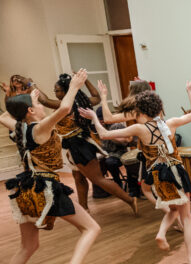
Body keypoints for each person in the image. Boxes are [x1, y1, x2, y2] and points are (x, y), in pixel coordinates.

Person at [0, 69, 101, 264]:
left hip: (25, 190)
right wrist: (75, 86)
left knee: (28, 246)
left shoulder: (19, 126)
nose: (40, 103)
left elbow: (5, 115)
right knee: (91, 229)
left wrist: (14, 97)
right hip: (45, 189)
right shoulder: (38, 128)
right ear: (31, 112)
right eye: (35, 102)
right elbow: (64, 109)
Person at [80, 78, 191, 264]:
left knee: (174, 209)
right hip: (176, 172)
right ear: (159, 108)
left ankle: (161, 233)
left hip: (158, 176)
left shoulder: (139, 129)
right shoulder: (171, 123)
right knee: (186, 217)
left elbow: (103, 134)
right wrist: (189, 91)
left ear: (140, 111)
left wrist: (94, 117)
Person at [34, 74, 137, 215]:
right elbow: (96, 96)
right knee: (78, 177)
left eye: (57, 90)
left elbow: (45, 101)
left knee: (98, 179)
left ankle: (130, 200)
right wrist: (85, 80)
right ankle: (84, 209)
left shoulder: (66, 104)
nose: (56, 93)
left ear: (66, 90)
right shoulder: (81, 101)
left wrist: (30, 84)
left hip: (79, 145)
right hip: (74, 144)